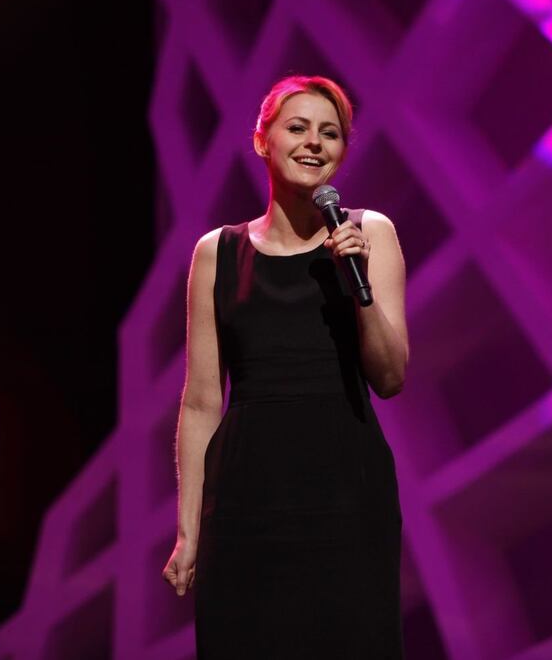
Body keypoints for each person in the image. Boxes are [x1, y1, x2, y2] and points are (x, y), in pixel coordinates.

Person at [161, 74, 409, 658]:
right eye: (297, 128)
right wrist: (190, 530)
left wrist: (357, 287)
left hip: (347, 496)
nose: (314, 143)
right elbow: (200, 400)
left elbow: (392, 377)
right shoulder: (216, 251)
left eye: (331, 133)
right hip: (247, 502)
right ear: (262, 141)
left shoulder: (370, 233)